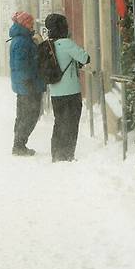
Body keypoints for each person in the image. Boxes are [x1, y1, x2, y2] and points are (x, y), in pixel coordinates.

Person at [44, 13, 90, 162]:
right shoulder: (66, 43)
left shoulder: (48, 45)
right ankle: (68, 154)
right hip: (71, 91)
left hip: (56, 92)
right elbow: (85, 58)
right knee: (71, 124)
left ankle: (56, 154)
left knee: (59, 122)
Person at [9, 11, 45, 156]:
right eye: (30, 23)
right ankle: (19, 145)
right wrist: (28, 81)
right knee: (30, 115)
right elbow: (21, 64)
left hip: (26, 85)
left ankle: (18, 144)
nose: (32, 25)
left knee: (24, 115)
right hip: (28, 86)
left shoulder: (23, 39)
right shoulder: (22, 41)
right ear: (24, 24)